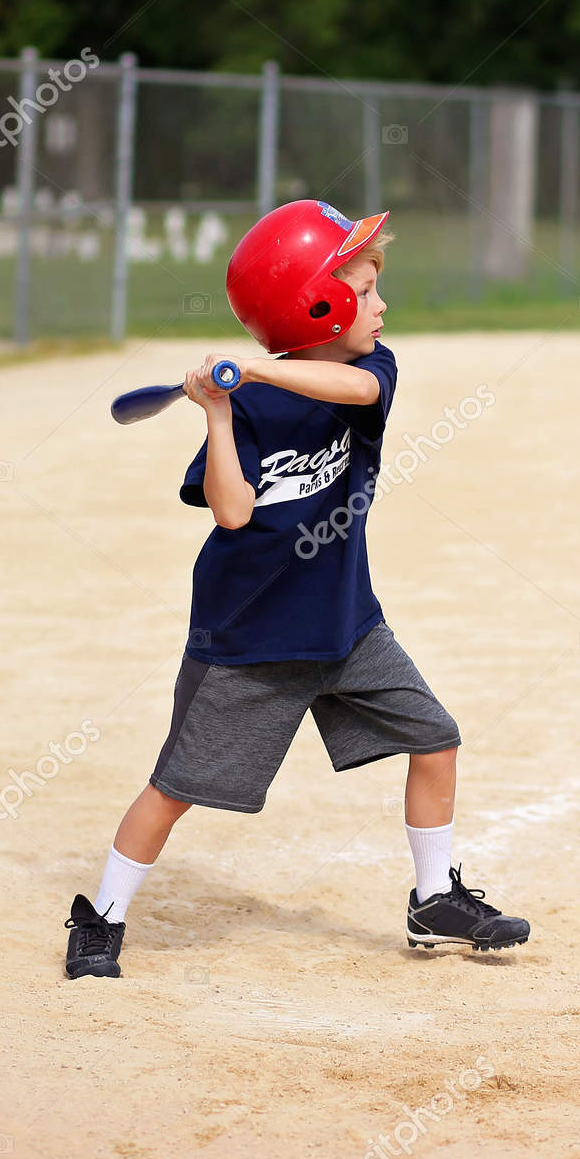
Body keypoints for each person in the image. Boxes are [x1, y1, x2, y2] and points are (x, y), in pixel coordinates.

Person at [63, 199, 530, 978]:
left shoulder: (368, 371)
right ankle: (100, 918)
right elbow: (232, 510)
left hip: (347, 626)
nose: (381, 305)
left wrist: (254, 367)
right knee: (175, 786)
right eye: (365, 288)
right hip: (246, 640)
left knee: (436, 739)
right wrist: (218, 411)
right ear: (316, 303)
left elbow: (355, 397)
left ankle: (433, 899)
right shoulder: (244, 403)